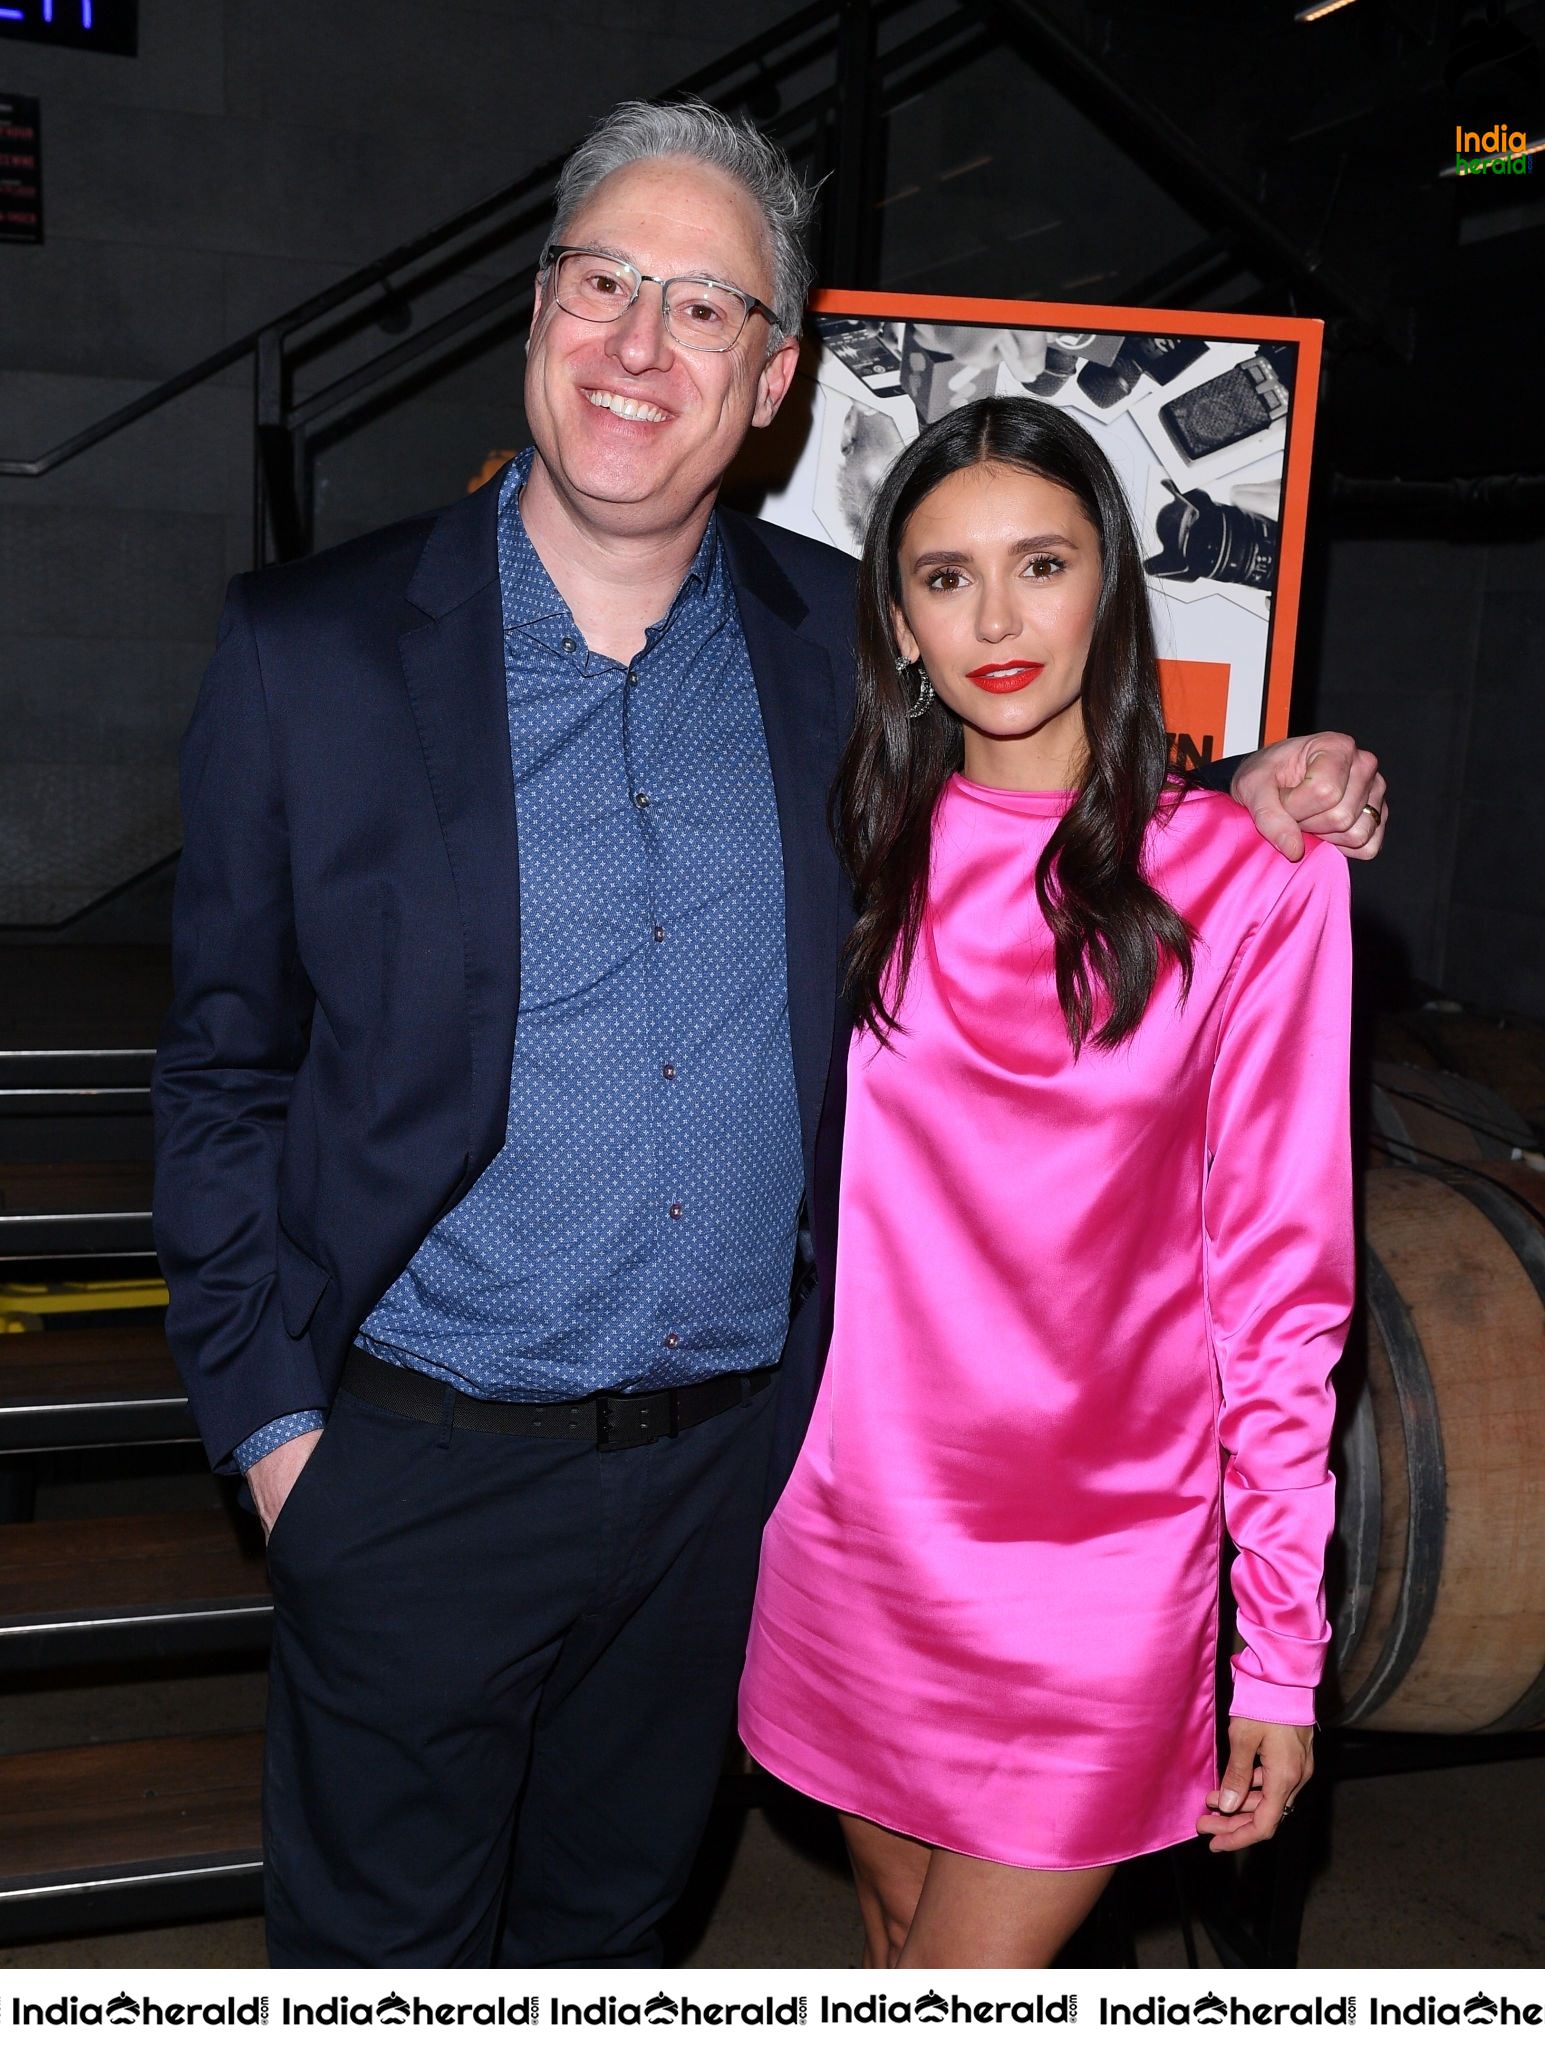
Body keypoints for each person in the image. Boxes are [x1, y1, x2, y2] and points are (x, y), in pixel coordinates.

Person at [153, 98, 1384, 1968]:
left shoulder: (833, 650)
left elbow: (1045, 772)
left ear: (773, 380)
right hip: (413, 1471)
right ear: (538, 307)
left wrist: (1247, 792)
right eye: (602, 283)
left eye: (704, 308)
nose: (641, 345)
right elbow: (224, 1065)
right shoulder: (305, 650)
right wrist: (273, 1435)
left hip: (733, 1490)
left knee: (612, 1938)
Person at [738, 395, 1356, 1968]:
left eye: (1041, 565)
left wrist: (1276, 1651)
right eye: (945, 579)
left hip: (1099, 1568)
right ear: (897, 620)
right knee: (893, 1939)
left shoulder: (1248, 881)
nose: (997, 619)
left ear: (1109, 590)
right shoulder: (853, 842)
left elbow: (1282, 1292)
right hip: (858, 1529)